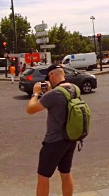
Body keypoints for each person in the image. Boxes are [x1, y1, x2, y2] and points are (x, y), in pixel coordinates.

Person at [26, 64, 78, 196]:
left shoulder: (54, 94)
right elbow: (60, 106)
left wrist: (36, 93)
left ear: (51, 75)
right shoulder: (75, 88)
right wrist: (49, 91)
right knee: (66, 173)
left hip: (54, 142)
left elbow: (30, 109)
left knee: (43, 176)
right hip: (70, 138)